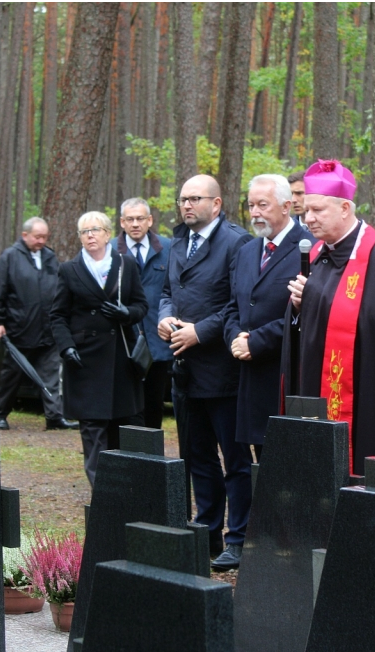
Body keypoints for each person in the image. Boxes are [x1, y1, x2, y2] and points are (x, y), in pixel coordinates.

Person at [284, 160, 375, 477]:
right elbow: (312, 316)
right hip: (316, 382)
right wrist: (298, 309)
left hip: (363, 389)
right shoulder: (316, 253)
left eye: (317, 210)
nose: (308, 219)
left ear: (344, 208)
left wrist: (313, 299)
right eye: (305, 211)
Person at [158, 174, 253, 570]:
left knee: (235, 459)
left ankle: (239, 537)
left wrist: (201, 332)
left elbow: (237, 303)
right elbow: (166, 292)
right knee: (197, 457)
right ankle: (208, 530)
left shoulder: (237, 242)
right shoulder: (179, 242)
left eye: (195, 199)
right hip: (186, 371)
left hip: (223, 368)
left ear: (217, 204)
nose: (186, 205)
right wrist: (164, 319)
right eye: (183, 199)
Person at [52, 211, 148, 484]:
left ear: (107, 233)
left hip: (120, 358)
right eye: (84, 231)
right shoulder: (69, 269)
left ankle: (127, 486)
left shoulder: (125, 265)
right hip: (84, 360)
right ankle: (102, 493)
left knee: (124, 423)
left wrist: (125, 313)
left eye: (95, 230)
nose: (90, 235)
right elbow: (57, 315)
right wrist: (66, 347)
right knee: (93, 428)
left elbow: (142, 306)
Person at [223, 174, 313, 460]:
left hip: (286, 377)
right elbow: (233, 305)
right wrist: (235, 336)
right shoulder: (248, 250)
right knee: (261, 465)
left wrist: (257, 342)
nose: (255, 213)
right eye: (251, 205)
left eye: (263, 204)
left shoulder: (308, 248)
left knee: (289, 466)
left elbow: (306, 312)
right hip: (249, 379)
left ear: (286, 206)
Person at [0, 217, 72, 431]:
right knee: (12, 376)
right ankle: (0, 413)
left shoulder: (50, 257)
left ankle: (54, 416)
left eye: (45, 237)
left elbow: (60, 289)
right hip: (19, 329)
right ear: (25, 235)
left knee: (51, 374)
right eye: (37, 237)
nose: (41, 241)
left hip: (48, 329)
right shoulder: (10, 258)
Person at [111, 198, 172, 429]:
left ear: (150, 220)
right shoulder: (109, 252)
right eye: (130, 219)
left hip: (158, 340)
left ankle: (152, 460)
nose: (135, 224)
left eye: (140, 218)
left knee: (154, 405)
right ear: (122, 223)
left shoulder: (168, 248)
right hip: (123, 340)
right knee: (125, 407)